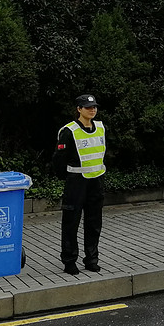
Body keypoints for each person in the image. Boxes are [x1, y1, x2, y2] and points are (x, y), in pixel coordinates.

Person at [53, 94, 106, 275]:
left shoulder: (100, 127)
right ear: (78, 109)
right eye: (87, 107)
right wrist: (67, 178)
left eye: (94, 107)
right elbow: (59, 160)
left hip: (96, 182)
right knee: (71, 223)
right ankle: (69, 261)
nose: (92, 110)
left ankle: (91, 259)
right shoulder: (69, 131)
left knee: (94, 223)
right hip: (76, 183)